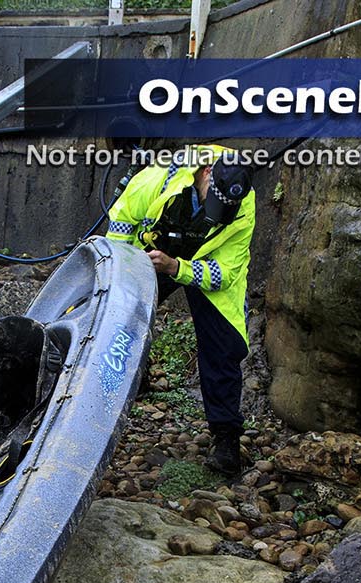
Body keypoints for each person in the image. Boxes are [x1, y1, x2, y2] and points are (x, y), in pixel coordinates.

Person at [104, 143, 256, 475]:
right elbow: (120, 226)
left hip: (201, 262)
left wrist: (176, 268)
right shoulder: (155, 181)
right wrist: (124, 271)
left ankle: (226, 438)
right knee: (115, 317)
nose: (219, 211)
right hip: (152, 250)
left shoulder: (243, 206)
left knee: (224, 345)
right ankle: (112, 393)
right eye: (213, 202)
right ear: (204, 174)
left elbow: (225, 273)